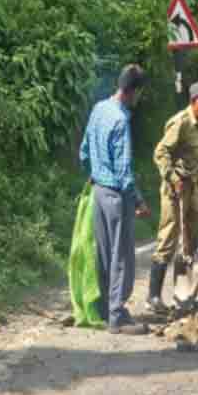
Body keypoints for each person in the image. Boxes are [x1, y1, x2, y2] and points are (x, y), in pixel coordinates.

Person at [79, 64, 151, 335]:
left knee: (103, 253)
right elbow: (123, 171)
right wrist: (138, 201)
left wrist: (93, 175)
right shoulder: (121, 120)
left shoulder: (99, 109)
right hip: (116, 197)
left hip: (98, 192)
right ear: (135, 91)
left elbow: (84, 152)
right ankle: (117, 316)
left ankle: (103, 308)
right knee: (121, 256)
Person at [146, 80, 198, 313]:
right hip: (175, 189)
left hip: (192, 187)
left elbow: (195, 161)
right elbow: (161, 152)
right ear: (194, 100)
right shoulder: (182, 122)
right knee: (169, 237)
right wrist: (171, 177)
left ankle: (182, 293)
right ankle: (153, 297)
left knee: (191, 239)